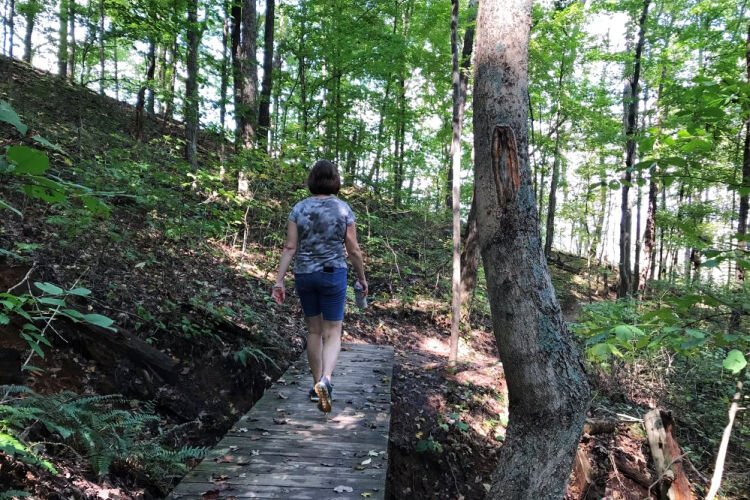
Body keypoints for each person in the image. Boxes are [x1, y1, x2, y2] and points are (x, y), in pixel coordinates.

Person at [271, 159, 368, 413]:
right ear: (335, 181)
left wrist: (279, 280)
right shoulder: (343, 209)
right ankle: (326, 379)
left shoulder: (299, 209)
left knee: (314, 331)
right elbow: (353, 248)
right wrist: (362, 277)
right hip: (333, 273)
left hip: (305, 274)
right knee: (332, 331)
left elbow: (290, 247)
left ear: (312, 180)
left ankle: (316, 386)